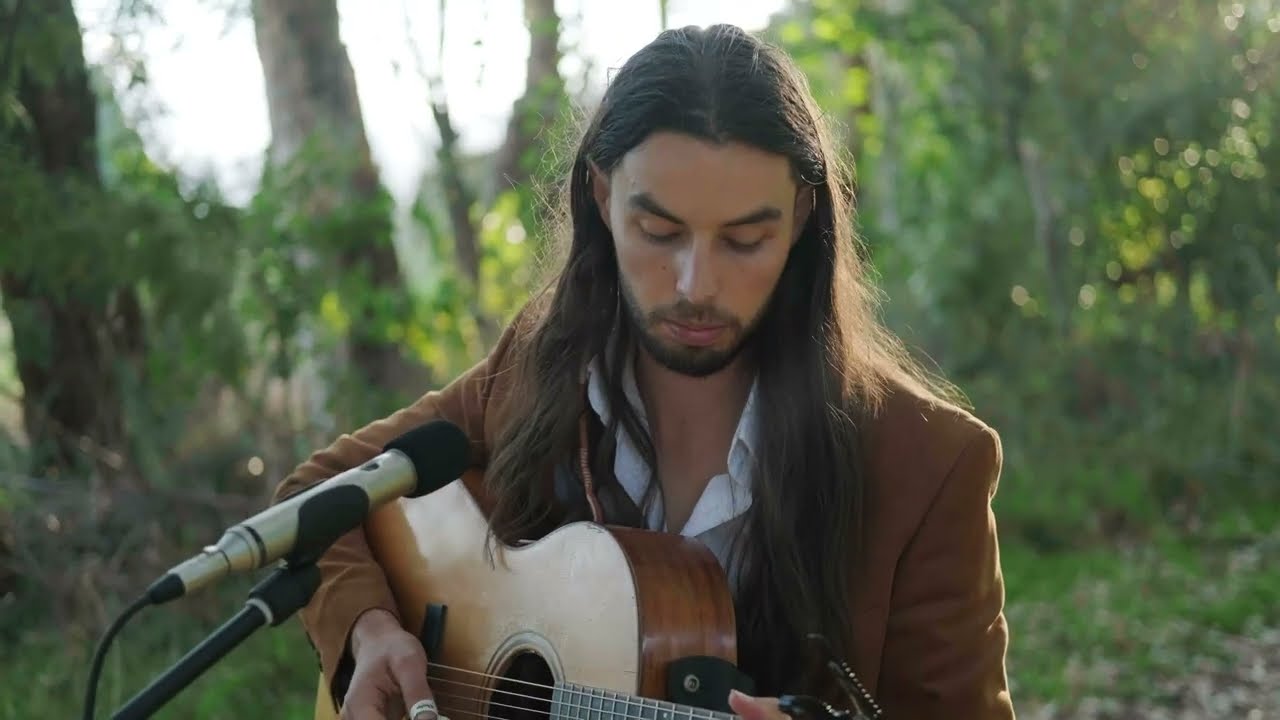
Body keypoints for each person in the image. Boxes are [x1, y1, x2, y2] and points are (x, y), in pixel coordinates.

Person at [273, 23, 1015, 720]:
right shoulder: (535, 374)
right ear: (601, 196)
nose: (696, 284)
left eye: (745, 240)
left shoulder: (930, 466)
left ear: (800, 219)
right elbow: (318, 496)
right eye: (658, 232)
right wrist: (371, 631)